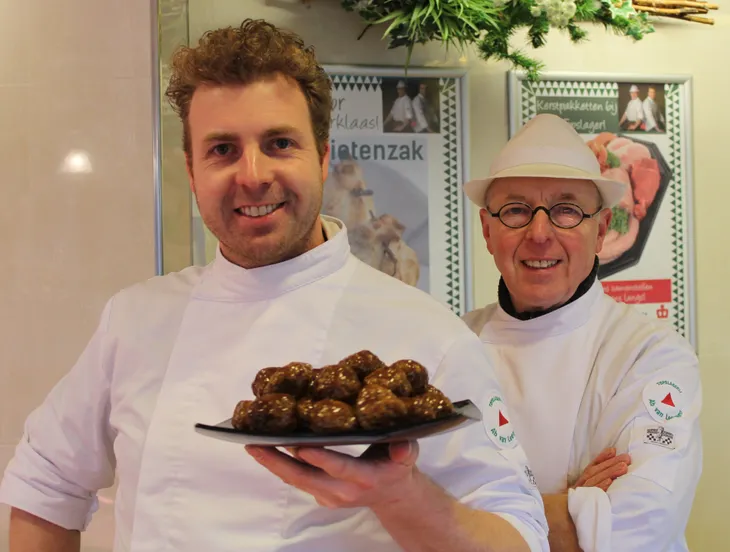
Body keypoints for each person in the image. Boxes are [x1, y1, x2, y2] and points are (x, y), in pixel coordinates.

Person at [0, 20, 549, 552]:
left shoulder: (428, 334)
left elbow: (521, 536)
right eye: (222, 149)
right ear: (191, 171)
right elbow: (47, 484)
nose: (253, 175)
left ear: (325, 157)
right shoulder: (135, 318)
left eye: (280, 143)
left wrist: (400, 495)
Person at [461, 113, 702, 552]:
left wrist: (466, 519)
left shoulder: (650, 354)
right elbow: (407, 507)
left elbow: (641, 524)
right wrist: (575, 507)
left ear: (602, 230)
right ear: (487, 230)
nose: (539, 234)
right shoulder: (451, 346)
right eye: (515, 210)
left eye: (566, 211)